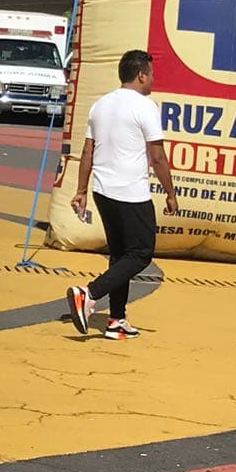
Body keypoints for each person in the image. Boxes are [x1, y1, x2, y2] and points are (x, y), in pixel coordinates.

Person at [67, 50, 178, 341]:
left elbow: (87, 151)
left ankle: (117, 319)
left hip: (103, 190)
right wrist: (170, 192)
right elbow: (157, 156)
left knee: (120, 256)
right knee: (141, 253)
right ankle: (88, 294)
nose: (153, 78)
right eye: (151, 73)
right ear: (141, 74)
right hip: (130, 191)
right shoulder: (145, 107)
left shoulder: (100, 105)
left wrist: (81, 191)